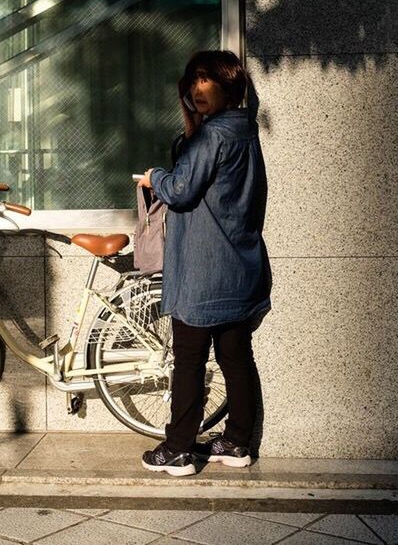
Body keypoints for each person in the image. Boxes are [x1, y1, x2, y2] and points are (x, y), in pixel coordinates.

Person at [137, 50, 272, 476]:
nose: (197, 90)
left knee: (189, 359)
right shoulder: (246, 133)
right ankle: (236, 442)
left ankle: (178, 449)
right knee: (235, 356)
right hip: (241, 266)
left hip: (203, 269)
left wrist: (154, 176)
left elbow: (179, 191)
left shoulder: (213, 136)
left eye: (206, 80)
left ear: (228, 84)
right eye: (193, 81)